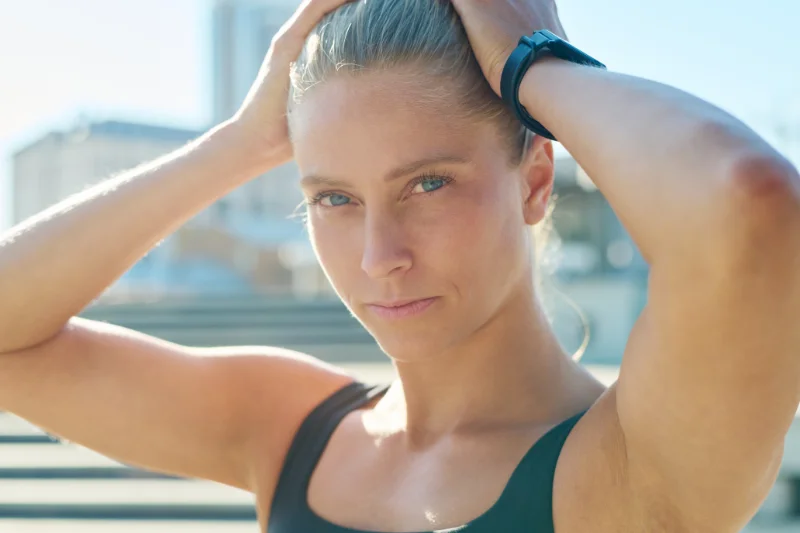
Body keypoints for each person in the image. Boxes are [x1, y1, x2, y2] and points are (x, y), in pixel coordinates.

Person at [1, 0, 798, 531]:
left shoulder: (630, 461)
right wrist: (239, 143)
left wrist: (538, 65)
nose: (379, 257)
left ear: (535, 181)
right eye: (334, 197)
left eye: (428, 183)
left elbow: (754, 214)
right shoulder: (292, 429)